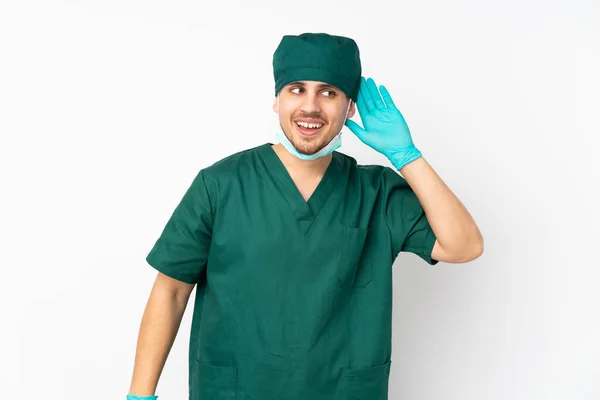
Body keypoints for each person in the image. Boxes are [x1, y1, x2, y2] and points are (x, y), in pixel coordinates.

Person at [127, 32, 483, 400]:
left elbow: (464, 245)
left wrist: (407, 157)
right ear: (277, 100)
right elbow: (170, 290)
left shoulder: (376, 192)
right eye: (296, 89)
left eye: (328, 92)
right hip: (236, 390)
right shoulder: (220, 185)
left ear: (349, 107)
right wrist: (141, 395)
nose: (310, 107)